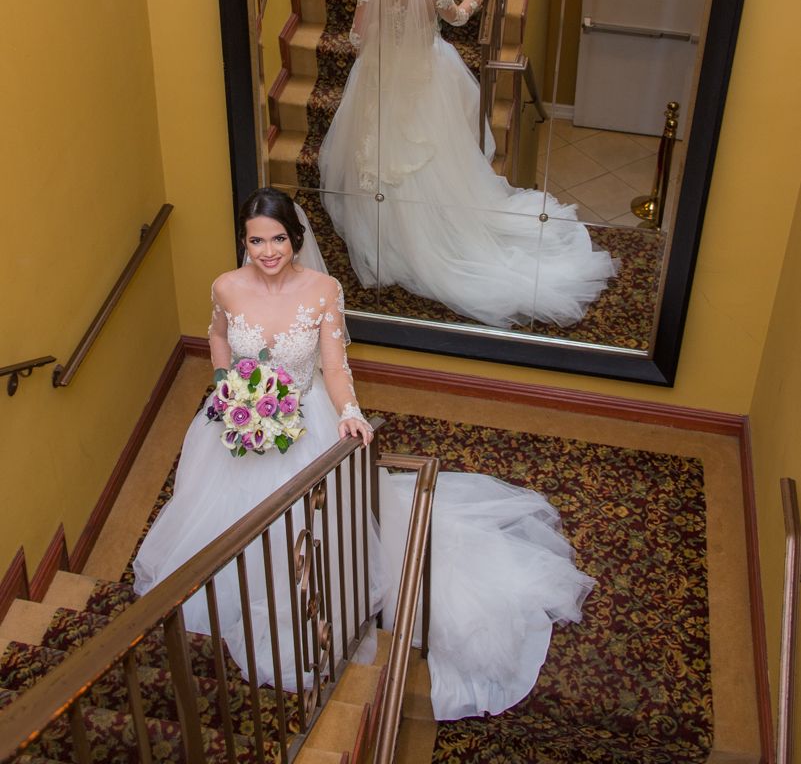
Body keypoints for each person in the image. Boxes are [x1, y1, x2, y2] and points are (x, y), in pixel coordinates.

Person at [133, 188, 595, 721]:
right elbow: (217, 336)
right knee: (227, 519)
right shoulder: (226, 287)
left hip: (306, 421)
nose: (267, 251)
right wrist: (225, 383)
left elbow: (333, 367)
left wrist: (350, 410)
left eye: (278, 239)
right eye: (256, 240)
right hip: (241, 420)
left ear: (297, 238)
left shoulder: (323, 290)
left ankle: (309, 608)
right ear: (244, 240)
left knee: (312, 527)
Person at [319, 0, 619, 330]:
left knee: (381, 153)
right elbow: (459, 17)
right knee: (427, 154)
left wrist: (378, 46)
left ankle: (388, 236)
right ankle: (430, 229)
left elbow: (355, 38)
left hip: (381, 76)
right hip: (423, 78)